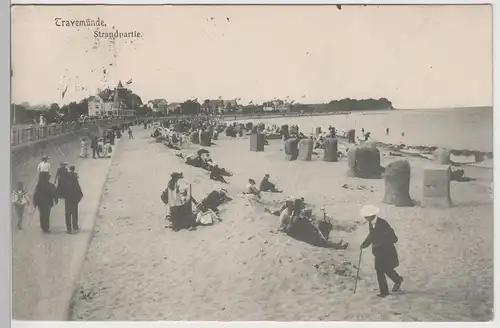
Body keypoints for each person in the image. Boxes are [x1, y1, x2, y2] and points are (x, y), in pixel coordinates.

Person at [360, 205, 403, 298]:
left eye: (366, 216)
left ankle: (385, 291)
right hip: (379, 252)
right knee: (383, 269)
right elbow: (372, 235)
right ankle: (397, 280)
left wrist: (381, 242)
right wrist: (365, 243)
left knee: (382, 269)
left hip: (386, 251)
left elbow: (394, 238)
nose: (365, 218)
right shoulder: (371, 222)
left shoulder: (383, 223)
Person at [64, 165, 83, 234]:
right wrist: (78, 198)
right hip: (74, 198)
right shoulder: (75, 179)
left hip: (68, 198)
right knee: (74, 212)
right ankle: (75, 226)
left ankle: (68, 228)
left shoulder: (66, 178)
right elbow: (79, 190)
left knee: (67, 213)